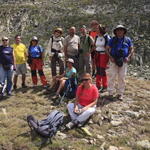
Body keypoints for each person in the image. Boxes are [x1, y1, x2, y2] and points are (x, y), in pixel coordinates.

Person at [106, 25, 134, 100]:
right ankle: (110, 93)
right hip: (113, 60)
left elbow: (131, 49)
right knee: (112, 76)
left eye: (121, 30)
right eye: (118, 30)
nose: (119, 31)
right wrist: (110, 57)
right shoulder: (112, 40)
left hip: (123, 60)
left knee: (122, 77)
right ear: (115, 32)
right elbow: (107, 49)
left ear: (124, 31)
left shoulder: (127, 40)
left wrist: (128, 57)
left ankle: (120, 93)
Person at [95, 24, 111, 92]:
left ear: (101, 29)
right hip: (97, 54)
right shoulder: (97, 37)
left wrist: (109, 57)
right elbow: (95, 45)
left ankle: (105, 85)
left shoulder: (106, 37)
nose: (96, 30)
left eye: (97, 29)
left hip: (104, 54)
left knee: (102, 70)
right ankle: (98, 85)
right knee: (98, 69)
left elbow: (109, 47)